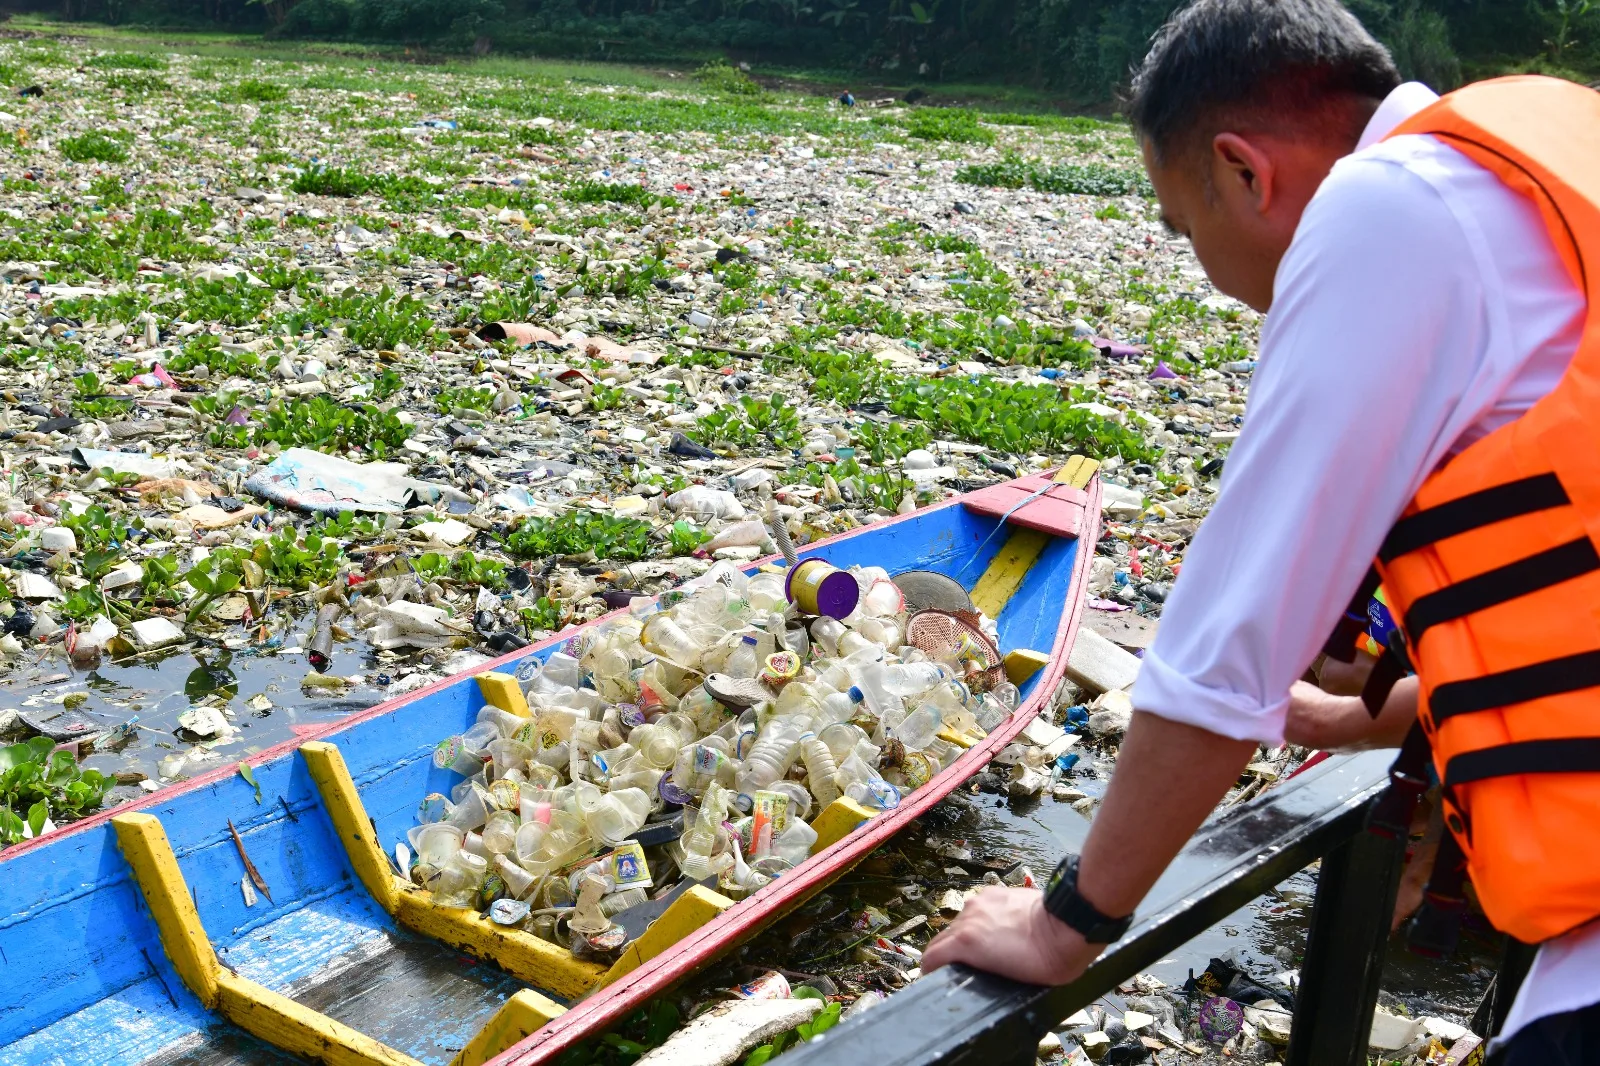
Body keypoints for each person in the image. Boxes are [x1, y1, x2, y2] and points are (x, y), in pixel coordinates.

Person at [920, 2, 1600, 1061]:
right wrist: (1343, 725)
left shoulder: (1389, 206)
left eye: (1184, 229)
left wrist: (1069, 921)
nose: (1208, 272)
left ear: (1243, 171)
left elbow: (1230, 637)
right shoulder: (1548, 156)